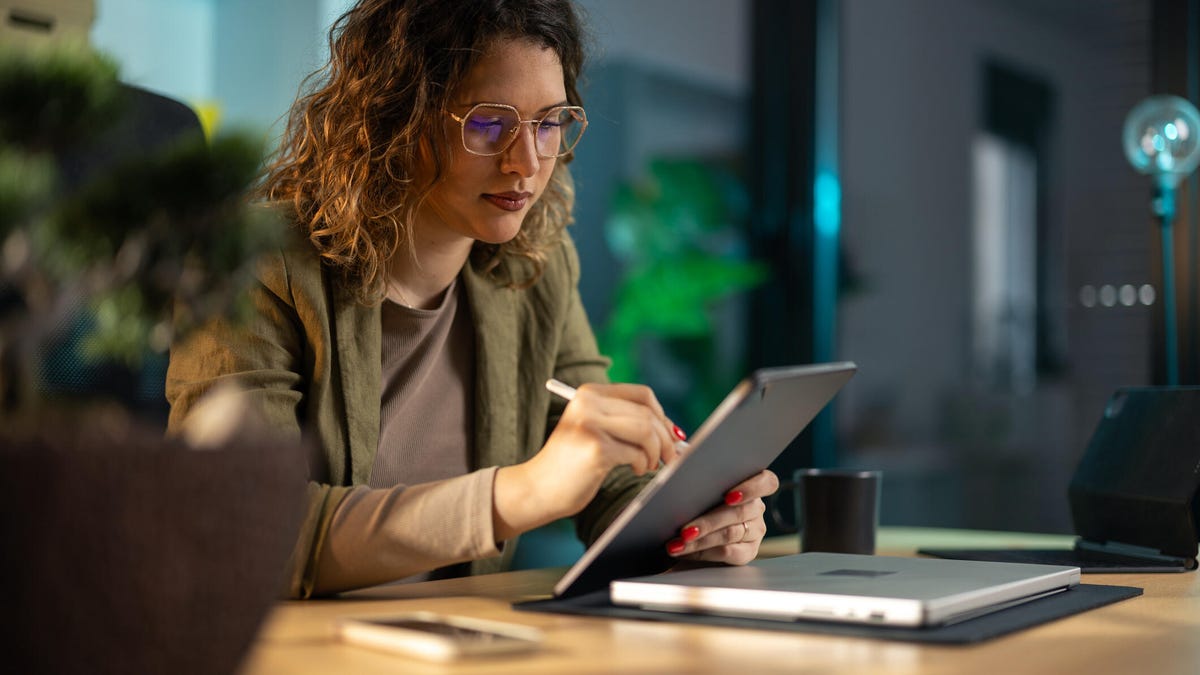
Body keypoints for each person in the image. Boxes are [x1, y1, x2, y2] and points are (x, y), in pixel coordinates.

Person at [166, 0, 777, 599]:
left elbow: (605, 479)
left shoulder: (537, 267)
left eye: (549, 122)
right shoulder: (251, 263)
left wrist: (688, 523)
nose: (528, 163)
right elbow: (241, 530)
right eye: (489, 123)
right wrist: (516, 495)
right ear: (393, 118)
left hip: (467, 649)